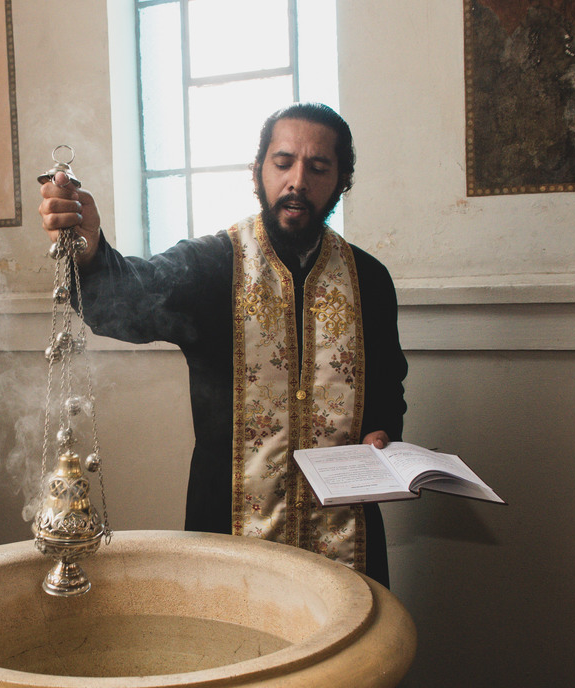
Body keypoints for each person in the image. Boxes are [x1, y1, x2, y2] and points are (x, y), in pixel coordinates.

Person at [38, 103, 408, 586]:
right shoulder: (213, 265)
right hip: (228, 532)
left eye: (318, 168)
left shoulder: (370, 280)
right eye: (283, 163)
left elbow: (387, 392)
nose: (297, 181)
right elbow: (129, 299)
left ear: (342, 181)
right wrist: (90, 250)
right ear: (257, 173)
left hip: (346, 540)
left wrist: (382, 434)